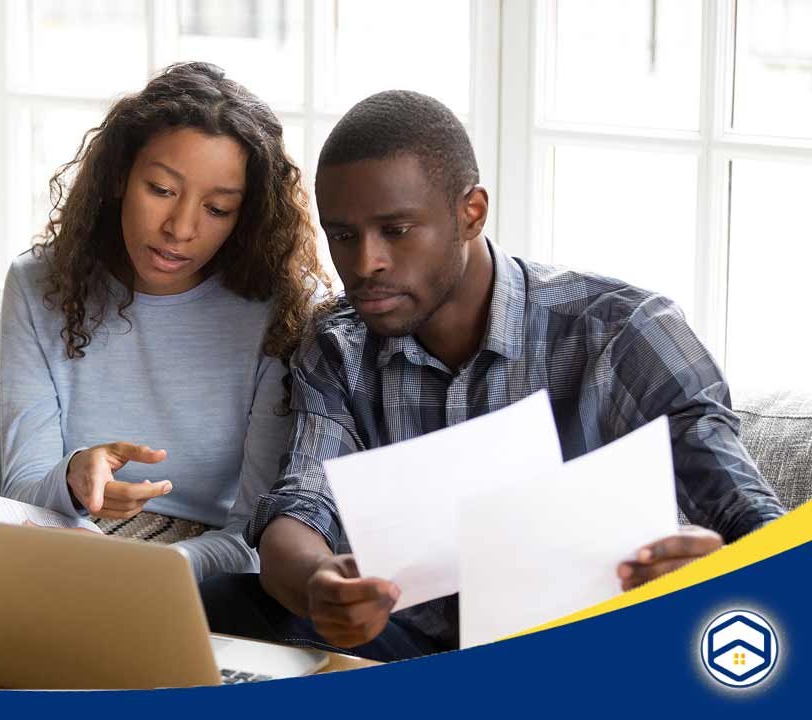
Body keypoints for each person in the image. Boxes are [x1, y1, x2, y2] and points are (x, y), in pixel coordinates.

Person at [199, 90, 786, 660]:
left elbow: (757, 524)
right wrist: (320, 583)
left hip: (591, 649)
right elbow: (299, 507)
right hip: (404, 649)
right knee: (214, 606)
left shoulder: (623, 332)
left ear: (470, 213)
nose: (364, 263)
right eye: (343, 236)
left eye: (396, 230)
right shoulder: (338, 344)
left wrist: (712, 574)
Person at [0, 62, 327, 582]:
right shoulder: (39, 285)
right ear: (119, 178)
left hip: (209, 572)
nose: (180, 229)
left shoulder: (281, 309)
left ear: (246, 218)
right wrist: (74, 474)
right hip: (66, 549)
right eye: (161, 190)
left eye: (218, 209)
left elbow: (258, 534)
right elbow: (21, 494)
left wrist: (159, 570)